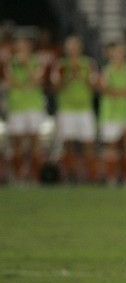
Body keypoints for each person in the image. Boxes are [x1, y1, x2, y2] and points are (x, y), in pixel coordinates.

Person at [50, 36, 98, 183]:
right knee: (68, 143)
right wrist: (69, 77)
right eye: (70, 46)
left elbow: (94, 87)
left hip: (85, 108)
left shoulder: (89, 64)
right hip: (67, 109)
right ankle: (72, 176)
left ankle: (90, 177)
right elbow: (55, 87)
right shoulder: (60, 65)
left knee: (88, 143)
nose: (73, 49)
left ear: (80, 48)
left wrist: (82, 77)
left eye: (75, 46)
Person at [99, 41, 126, 185]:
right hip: (111, 113)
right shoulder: (107, 70)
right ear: (111, 54)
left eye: (121, 52)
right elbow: (104, 88)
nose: (118, 55)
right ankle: (112, 178)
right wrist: (124, 93)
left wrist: (116, 93)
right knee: (112, 146)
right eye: (116, 52)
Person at [4, 36, 46, 183]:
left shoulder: (36, 61)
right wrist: (25, 85)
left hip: (34, 106)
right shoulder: (11, 63)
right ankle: (18, 175)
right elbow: (10, 84)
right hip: (16, 106)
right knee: (17, 141)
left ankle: (34, 175)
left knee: (35, 141)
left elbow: (37, 80)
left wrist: (27, 65)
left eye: (24, 45)